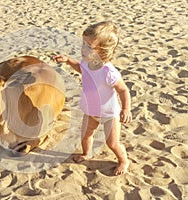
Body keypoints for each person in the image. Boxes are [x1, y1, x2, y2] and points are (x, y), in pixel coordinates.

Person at [53, 21, 132, 175]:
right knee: (86, 135)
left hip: (109, 115)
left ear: (103, 51)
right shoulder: (87, 63)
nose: (84, 48)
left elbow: (123, 90)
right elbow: (80, 68)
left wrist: (126, 109)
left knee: (112, 143)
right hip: (91, 111)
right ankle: (86, 153)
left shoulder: (108, 72)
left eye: (89, 46)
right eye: (83, 43)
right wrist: (68, 60)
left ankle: (123, 161)